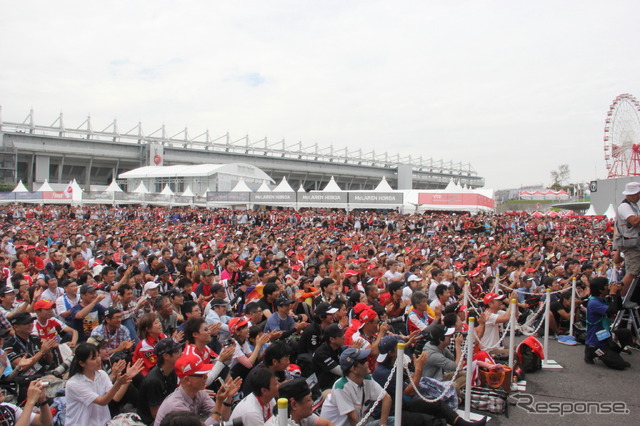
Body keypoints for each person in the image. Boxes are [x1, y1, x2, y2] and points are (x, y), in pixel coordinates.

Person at [372, 335, 486, 426]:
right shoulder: (384, 372)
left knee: (436, 404)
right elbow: (410, 392)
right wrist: (419, 368)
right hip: (389, 413)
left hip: (400, 405)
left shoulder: (388, 364)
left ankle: (462, 423)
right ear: (392, 352)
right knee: (427, 420)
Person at [154, 353, 242, 426]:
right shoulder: (176, 406)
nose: (206, 377)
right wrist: (219, 403)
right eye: (201, 375)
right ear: (187, 380)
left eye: (206, 373)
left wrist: (228, 399)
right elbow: (215, 416)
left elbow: (222, 418)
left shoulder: (199, 392)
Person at [65, 342, 141, 426]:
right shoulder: (74, 384)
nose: (98, 360)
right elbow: (102, 401)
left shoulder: (101, 374)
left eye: (98, 356)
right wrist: (118, 384)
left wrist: (128, 377)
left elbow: (116, 397)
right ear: (82, 363)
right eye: (93, 358)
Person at [320, 347, 394, 426]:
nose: (367, 362)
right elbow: (353, 419)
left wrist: (382, 424)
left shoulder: (366, 379)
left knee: (393, 421)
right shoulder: (341, 387)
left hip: (360, 423)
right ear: (354, 369)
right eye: (363, 361)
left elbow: (387, 398)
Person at [584, 277, 632, 369]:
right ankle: (591, 352)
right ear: (600, 289)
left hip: (605, 337)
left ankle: (611, 353)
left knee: (625, 333)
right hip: (595, 342)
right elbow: (612, 311)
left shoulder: (602, 299)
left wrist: (617, 293)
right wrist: (613, 293)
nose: (609, 287)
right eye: (607, 285)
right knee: (620, 365)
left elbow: (619, 307)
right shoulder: (593, 302)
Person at [138, 338, 183, 425]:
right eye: (177, 352)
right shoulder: (154, 381)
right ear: (166, 356)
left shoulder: (171, 371)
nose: (180, 354)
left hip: (168, 413)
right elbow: (156, 414)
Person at [264, 378, 335, 426]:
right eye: (308, 400)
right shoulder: (281, 423)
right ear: (294, 405)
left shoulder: (302, 414)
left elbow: (328, 424)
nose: (312, 402)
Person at [614, 181, 640, 301]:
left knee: (634, 271)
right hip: (631, 244)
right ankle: (620, 299)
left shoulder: (632, 205)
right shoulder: (625, 206)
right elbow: (634, 221)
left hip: (634, 242)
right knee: (632, 272)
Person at [313, 323, 346, 391]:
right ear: (332, 339)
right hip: (325, 388)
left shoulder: (338, 348)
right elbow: (340, 371)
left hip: (338, 382)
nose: (344, 337)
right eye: (341, 335)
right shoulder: (321, 353)